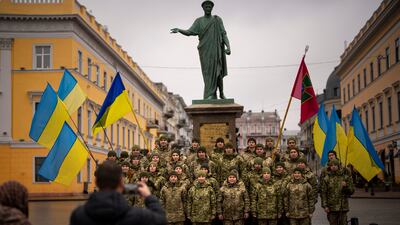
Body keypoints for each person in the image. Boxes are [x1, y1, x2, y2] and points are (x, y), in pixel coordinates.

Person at [70, 161, 167, 225]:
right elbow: (161, 220)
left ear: (96, 182)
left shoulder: (79, 215)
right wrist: (149, 197)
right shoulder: (136, 215)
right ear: (121, 182)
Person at [171, 0, 231, 99]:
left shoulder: (217, 20)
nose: (208, 8)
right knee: (207, 73)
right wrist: (179, 30)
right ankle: (211, 94)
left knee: (218, 71)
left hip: (216, 49)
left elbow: (224, 34)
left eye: (209, 7)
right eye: (206, 7)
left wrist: (228, 47)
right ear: (203, 8)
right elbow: (190, 32)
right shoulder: (199, 21)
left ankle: (221, 93)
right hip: (205, 51)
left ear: (212, 8)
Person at [321, 159, 354, 225]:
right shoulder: (327, 179)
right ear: (329, 167)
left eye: (335, 165)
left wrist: (345, 186)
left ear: (338, 166)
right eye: (332, 165)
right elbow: (323, 193)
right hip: (331, 208)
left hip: (343, 207)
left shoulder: (345, 177)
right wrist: (325, 206)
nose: (333, 166)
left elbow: (351, 191)